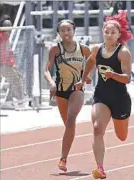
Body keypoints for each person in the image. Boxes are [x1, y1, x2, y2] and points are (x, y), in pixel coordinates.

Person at [75, 11, 132, 179]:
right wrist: (83, 79)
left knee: (122, 136)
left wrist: (113, 75)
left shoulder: (123, 52)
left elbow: (127, 78)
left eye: (113, 32)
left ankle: (121, 120)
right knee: (97, 128)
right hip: (102, 96)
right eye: (106, 31)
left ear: (119, 34)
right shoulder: (96, 49)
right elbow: (90, 62)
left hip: (120, 98)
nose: (109, 34)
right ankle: (100, 168)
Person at [44, 19, 91, 172]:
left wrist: (86, 76)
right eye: (62, 30)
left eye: (68, 30)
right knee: (68, 126)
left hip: (77, 88)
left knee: (71, 119)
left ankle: (63, 159)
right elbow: (47, 70)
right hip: (61, 90)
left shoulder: (83, 49)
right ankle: (65, 154)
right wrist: (51, 83)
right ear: (59, 34)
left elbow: (93, 64)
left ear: (74, 31)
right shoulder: (55, 49)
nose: (66, 33)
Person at [0, 15, 24, 104]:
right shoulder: (0, 36)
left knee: (19, 76)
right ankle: (20, 99)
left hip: (8, 64)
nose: (9, 29)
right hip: (3, 65)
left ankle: (9, 98)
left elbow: (8, 52)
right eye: (7, 27)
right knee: (15, 79)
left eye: (10, 27)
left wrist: (12, 63)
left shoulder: (6, 37)